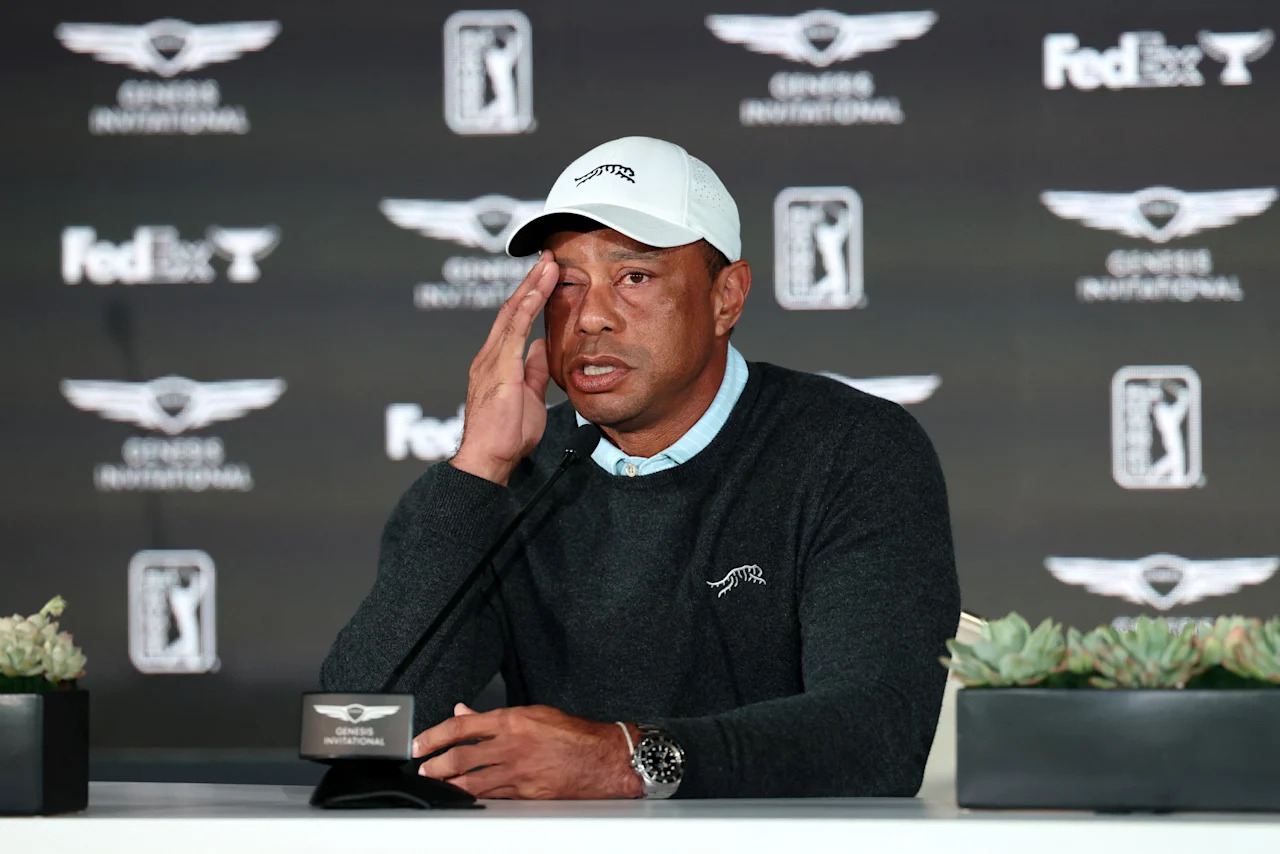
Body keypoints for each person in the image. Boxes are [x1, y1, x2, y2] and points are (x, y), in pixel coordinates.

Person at [321, 136, 959, 800]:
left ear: (726, 298)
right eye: (565, 284)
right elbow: (353, 731)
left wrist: (625, 761)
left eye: (635, 277)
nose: (590, 316)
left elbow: (879, 735)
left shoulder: (851, 448)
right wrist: (478, 468)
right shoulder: (506, 481)